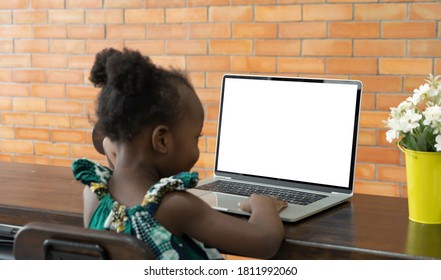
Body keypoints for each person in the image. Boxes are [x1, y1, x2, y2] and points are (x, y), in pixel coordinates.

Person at [72, 48, 287, 260]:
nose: (196, 149)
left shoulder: (94, 195)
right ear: (162, 140)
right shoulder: (174, 207)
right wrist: (263, 204)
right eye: (195, 138)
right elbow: (265, 241)